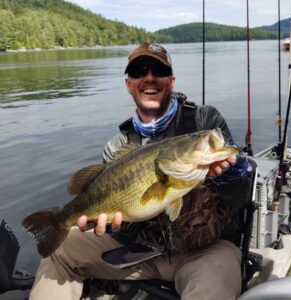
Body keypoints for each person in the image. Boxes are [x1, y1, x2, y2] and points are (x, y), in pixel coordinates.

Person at [29, 43, 250, 300]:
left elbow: (240, 196)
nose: (149, 78)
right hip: (139, 253)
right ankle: (59, 224)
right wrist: (112, 226)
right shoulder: (118, 146)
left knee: (214, 290)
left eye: (159, 70)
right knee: (61, 250)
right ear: (128, 84)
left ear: (172, 80)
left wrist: (231, 175)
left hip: (205, 252)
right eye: (139, 72)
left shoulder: (205, 121)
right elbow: (127, 222)